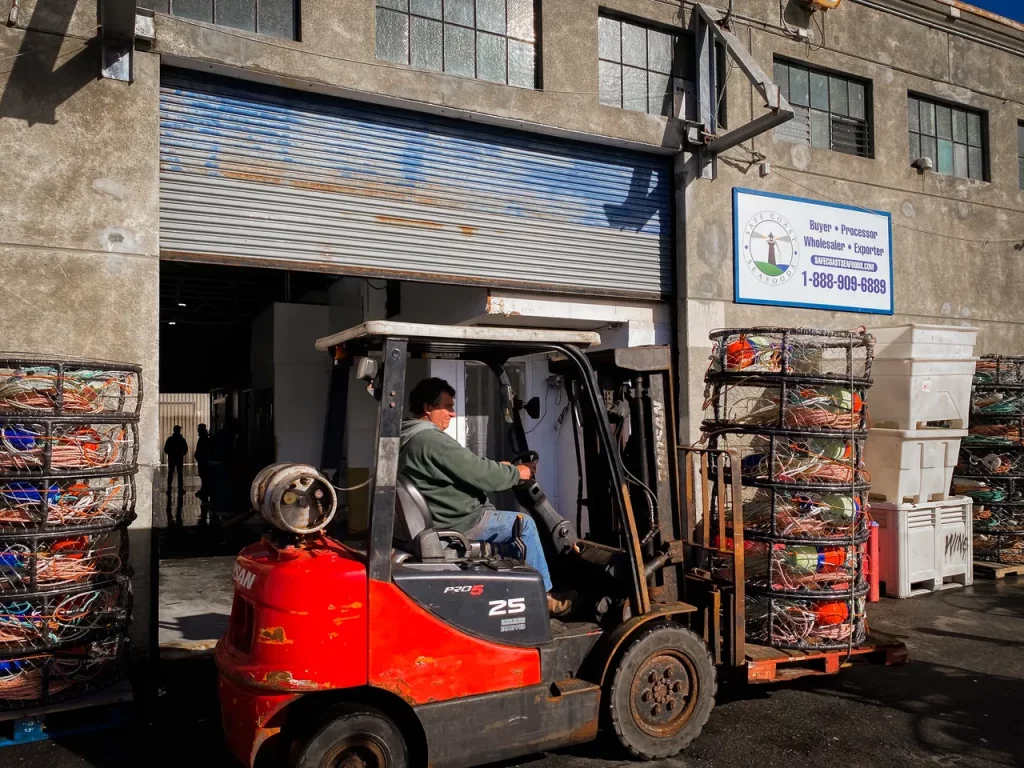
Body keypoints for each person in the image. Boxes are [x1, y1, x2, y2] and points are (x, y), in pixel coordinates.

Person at [399, 378, 570, 616]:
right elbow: (479, 474)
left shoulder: (409, 437)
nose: (452, 412)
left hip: (443, 516)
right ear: (428, 408)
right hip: (461, 521)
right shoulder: (430, 440)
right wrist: (517, 472)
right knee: (525, 526)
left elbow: (465, 467)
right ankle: (543, 598)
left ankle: (514, 586)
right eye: (446, 406)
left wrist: (500, 468)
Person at [163, 425, 188, 495]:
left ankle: (169, 488)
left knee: (170, 473)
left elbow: (166, 449)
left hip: (171, 458)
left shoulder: (170, 439)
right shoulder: (182, 439)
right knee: (180, 474)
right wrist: (181, 453)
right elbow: (185, 449)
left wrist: (171, 453)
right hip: (179, 458)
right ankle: (180, 488)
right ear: (179, 431)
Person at [194, 423, 211, 502]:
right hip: (202, 459)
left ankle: (205, 490)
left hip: (203, 460)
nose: (197, 430)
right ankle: (204, 489)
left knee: (204, 474)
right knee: (203, 475)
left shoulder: (203, 438)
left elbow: (202, 449)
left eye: (198, 429)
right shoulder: (203, 437)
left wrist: (198, 455)